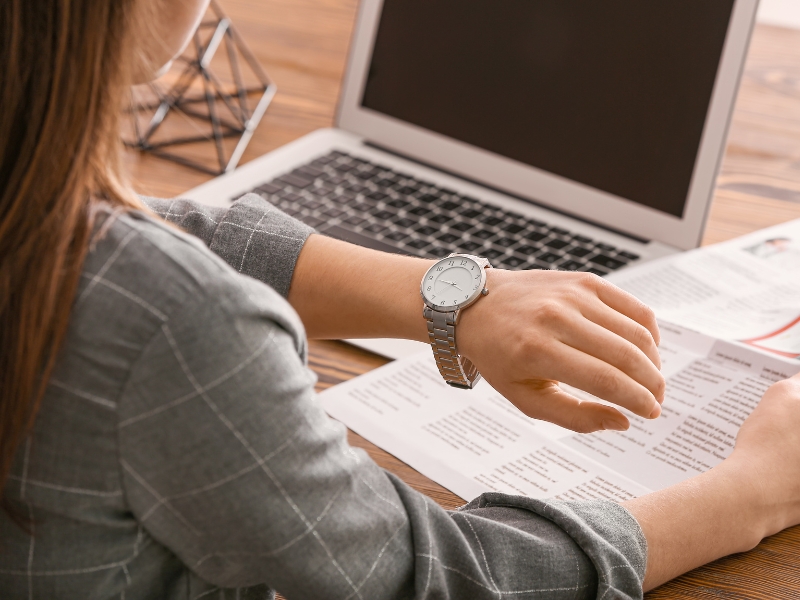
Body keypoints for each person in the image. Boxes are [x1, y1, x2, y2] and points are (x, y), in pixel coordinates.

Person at [1, 0, 799, 598]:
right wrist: (748, 495)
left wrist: (452, 297)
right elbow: (427, 577)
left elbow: (134, 229)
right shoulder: (171, 327)